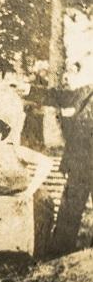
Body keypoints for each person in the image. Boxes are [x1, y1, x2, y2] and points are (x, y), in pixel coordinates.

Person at [0, 115, 53, 199]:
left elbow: (46, 162)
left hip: (26, 197)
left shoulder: (15, 150)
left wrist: (29, 191)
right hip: (0, 201)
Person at [53, 85, 93, 255]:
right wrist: (29, 89)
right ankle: (59, 255)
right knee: (69, 212)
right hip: (80, 163)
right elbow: (62, 96)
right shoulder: (88, 92)